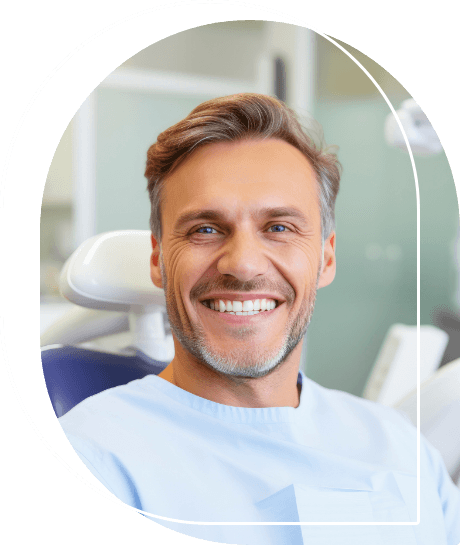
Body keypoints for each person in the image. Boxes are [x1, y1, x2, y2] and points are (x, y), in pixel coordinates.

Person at [58, 94, 460, 545]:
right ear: (158, 259)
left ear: (326, 258)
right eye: (205, 230)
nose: (244, 265)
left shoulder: (402, 449)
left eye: (279, 228)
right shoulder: (93, 460)